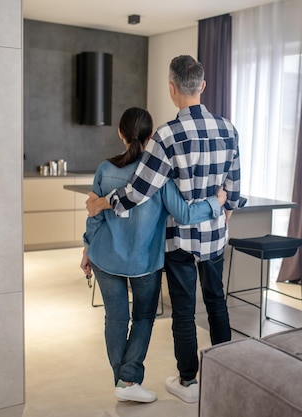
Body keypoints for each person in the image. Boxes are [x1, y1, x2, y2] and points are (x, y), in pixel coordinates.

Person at [86, 55, 242, 403]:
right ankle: (228, 375)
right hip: (214, 237)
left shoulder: (167, 136)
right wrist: (222, 213)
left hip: (180, 242)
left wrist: (104, 203)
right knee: (217, 304)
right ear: (202, 86)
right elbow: (232, 189)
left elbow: (139, 191)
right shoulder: (229, 129)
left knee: (184, 312)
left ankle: (189, 383)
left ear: (172, 89)